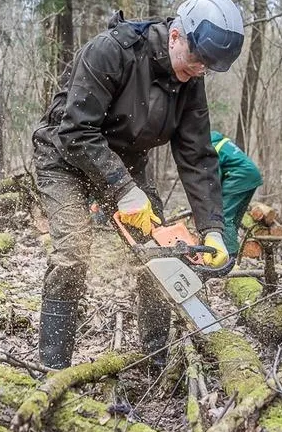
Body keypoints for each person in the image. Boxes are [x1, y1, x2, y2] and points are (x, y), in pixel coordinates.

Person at [31, 0, 244, 369]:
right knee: (73, 254)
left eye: (207, 66)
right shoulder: (113, 51)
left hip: (126, 163)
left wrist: (213, 229)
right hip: (65, 155)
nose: (198, 71)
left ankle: (155, 356)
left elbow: (197, 156)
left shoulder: (192, 80)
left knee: (159, 252)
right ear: (176, 35)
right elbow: (76, 130)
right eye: (196, 60)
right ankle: (52, 368)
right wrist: (123, 191)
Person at [210, 130, 263, 258]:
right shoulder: (217, 140)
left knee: (223, 216)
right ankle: (233, 252)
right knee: (234, 219)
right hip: (252, 176)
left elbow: (215, 178)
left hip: (239, 177)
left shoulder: (209, 146)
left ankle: (229, 257)